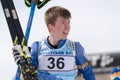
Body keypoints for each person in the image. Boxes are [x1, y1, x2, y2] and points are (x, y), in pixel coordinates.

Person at [13, 6, 96, 80]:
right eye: (63, 23)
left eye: (69, 22)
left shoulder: (75, 47)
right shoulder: (37, 47)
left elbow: (88, 74)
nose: (68, 26)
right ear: (51, 27)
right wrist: (23, 62)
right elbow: (30, 75)